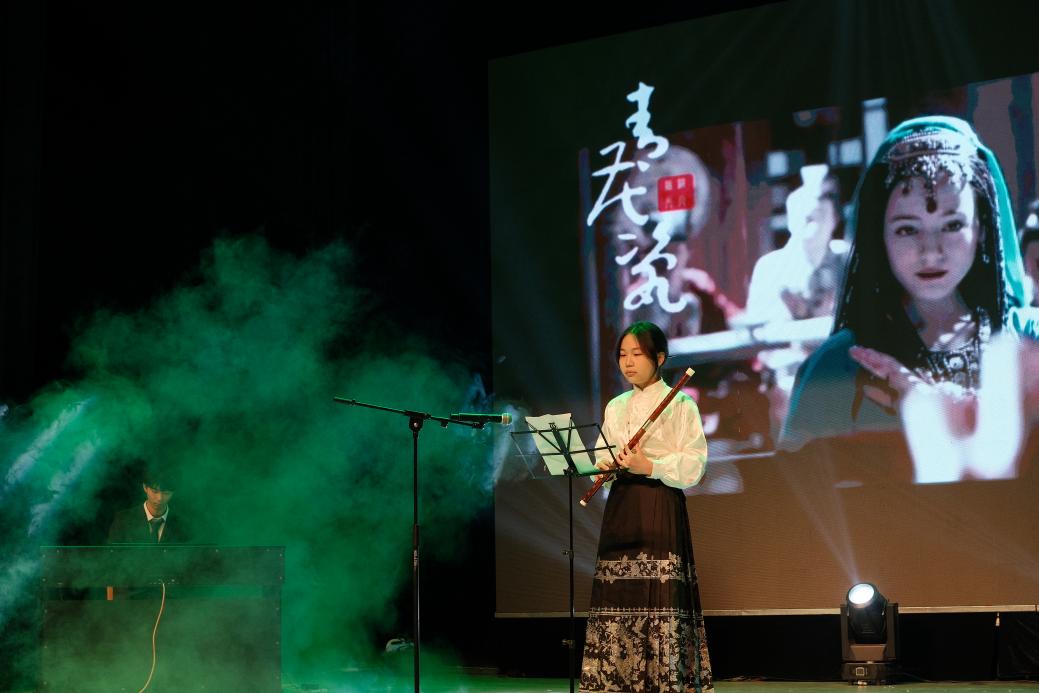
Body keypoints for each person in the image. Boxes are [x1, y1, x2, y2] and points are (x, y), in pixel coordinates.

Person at [780, 116, 1039, 462]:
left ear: (982, 228)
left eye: (952, 225)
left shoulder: (1031, 339)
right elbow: (793, 483)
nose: (931, 251)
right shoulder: (839, 365)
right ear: (879, 236)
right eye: (907, 229)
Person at [580, 321, 712, 693]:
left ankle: (661, 681)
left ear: (660, 358)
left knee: (659, 594)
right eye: (623, 354)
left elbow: (695, 464)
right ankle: (617, 680)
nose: (628, 362)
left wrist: (649, 466)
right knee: (619, 595)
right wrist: (605, 464)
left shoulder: (681, 403)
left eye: (637, 354)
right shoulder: (616, 406)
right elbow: (603, 452)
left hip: (659, 502)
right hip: (622, 506)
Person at [108, 466, 186, 544]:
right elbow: (112, 551)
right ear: (145, 487)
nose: (160, 498)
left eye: (166, 493)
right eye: (155, 491)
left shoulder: (183, 525)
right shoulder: (123, 520)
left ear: (173, 493)